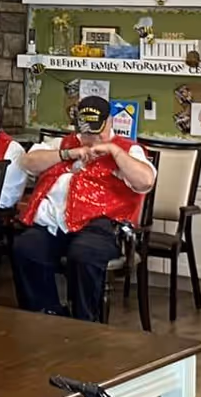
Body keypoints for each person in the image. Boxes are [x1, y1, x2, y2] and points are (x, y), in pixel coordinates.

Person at [10, 96, 155, 320]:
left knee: (84, 254)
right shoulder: (62, 144)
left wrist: (115, 152)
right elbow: (28, 162)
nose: (93, 138)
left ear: (109, 122)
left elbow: (145, 181)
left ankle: (85, 321)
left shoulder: (129, 149)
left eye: (98, 131)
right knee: (25, 247)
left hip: (101, 226)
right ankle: (46, 313)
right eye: (86, 132)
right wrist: (67, 154)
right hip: (55, 225)